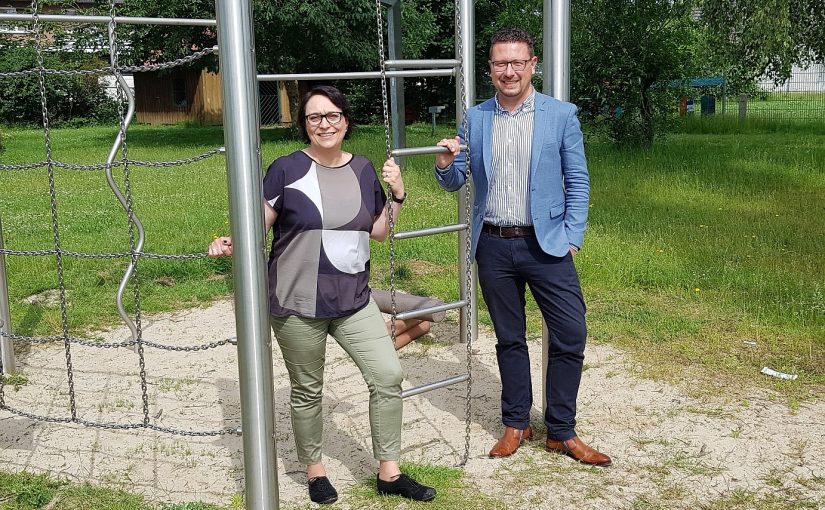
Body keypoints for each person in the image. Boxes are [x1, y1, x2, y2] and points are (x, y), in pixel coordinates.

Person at [208, 85, 436, 504]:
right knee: (308, 389)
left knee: (388, 376)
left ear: (346, 121)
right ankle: (315, 471)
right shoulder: (285, 169)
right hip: (297, 302)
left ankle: (389, 473)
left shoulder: (365, 170)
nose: (324, 124)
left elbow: (379, 231)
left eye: (332, 115)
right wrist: (231, 241)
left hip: (354, 298)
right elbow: (256, 225)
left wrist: (398, 194)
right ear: (304, 126)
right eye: (314, 117)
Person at [433, 27, 611, 467]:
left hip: (547, 245)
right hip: (493, 245)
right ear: (490, 69)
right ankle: (516, 422)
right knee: (509, 339)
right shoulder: (475, 119)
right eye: (500, 63)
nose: (509, 71)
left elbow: (579, 181)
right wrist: (443, 164)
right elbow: (458, 179)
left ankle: (562, 430)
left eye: (517, 62)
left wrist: (572, 236)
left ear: (533, 65)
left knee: (570, 334)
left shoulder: (561, 114)